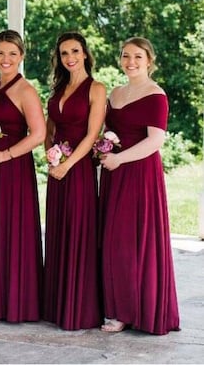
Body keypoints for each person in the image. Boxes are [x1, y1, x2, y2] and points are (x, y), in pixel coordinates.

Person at [99, 37, 180, 335]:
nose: (130, 61)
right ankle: (118, 308)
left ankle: (139, 311)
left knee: (132, 241)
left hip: (139, 173)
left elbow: (155, 140)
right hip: (114, 173)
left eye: (137, 56)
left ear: (149, 60)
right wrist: (106, 150)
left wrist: (120, 159)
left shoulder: (156, 95)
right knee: (112, 242)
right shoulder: (116, 92)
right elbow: (109, 130)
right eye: (125, 56)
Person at [0, 29, 46, 322]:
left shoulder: (26, 90)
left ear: (21, 56)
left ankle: (16, 304)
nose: (6, 59)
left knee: (13, 230)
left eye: (12, 54)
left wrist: (6, 154)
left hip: (13, 168)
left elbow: (38, 134)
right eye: (0, 53)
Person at [42, 31, 105, 330]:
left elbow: (93, 134)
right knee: (57, 231)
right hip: (57, 169)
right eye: (65, 53)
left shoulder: (97, 88)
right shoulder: (57, 90)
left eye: (75, 51)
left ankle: (78, 310)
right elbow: (48, 129)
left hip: (78, 169)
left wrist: (68, 165)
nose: (70, 57)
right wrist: (50, 155)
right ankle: (56, 307)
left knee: (78, 230)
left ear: (85, 54)